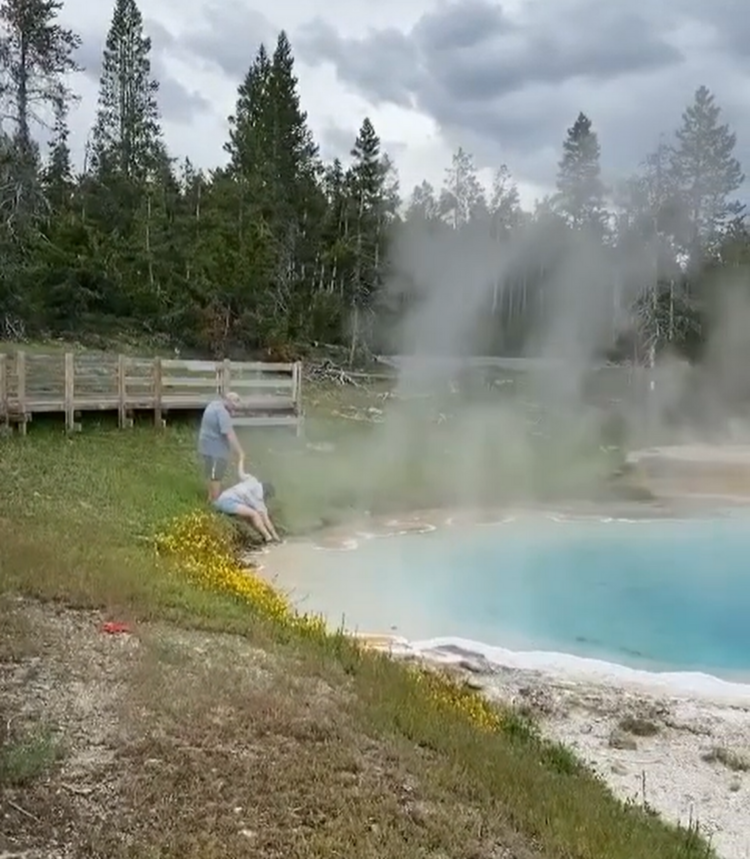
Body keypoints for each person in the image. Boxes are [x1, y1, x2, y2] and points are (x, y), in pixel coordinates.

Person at [198, 392, 246, 501]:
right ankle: (215, 500)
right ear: (229, 402)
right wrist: (240, 452)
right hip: (215, 450)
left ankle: (210, 498)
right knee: (216, 476)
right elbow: (229, 434)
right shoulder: (222, 413)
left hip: (205, 445)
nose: (234, 411)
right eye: (234, 408)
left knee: (211, 473)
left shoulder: (214, 404)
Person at [213, 468, 281, 542]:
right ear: (266, 494)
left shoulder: (253, 480)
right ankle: (268, 537)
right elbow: (265, 519)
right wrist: (275, 535)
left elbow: (241, 473)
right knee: (254, 514)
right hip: (227, 503)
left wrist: (241, 459)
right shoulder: (259, 499)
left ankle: (266, 536)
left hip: (222, 498)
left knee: (251, 513)